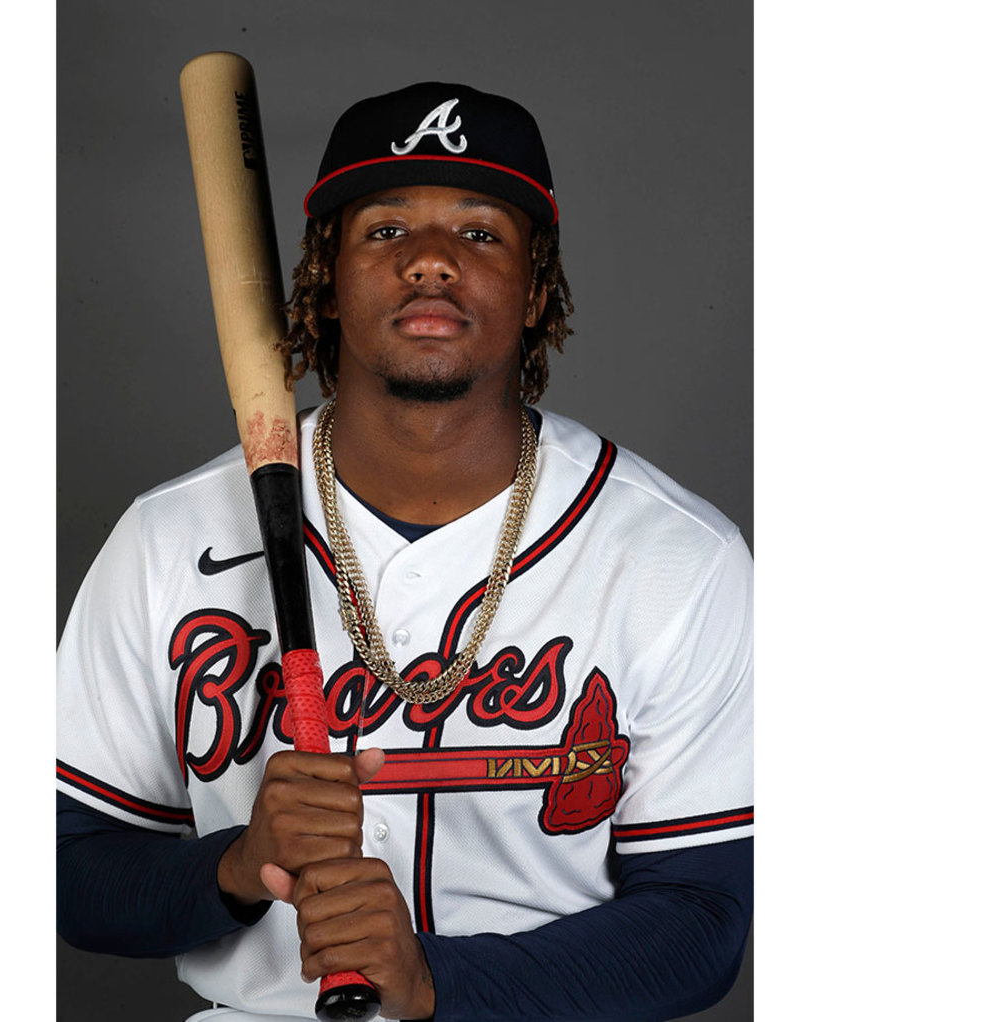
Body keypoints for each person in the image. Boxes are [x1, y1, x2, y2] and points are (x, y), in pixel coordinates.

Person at [57, 81, 753, 1022]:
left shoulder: (677, 556)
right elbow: (70, 872)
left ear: (537, 286)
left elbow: (701, 920)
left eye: (479, 233)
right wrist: (233, 863)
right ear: (325, 281)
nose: (430, 261)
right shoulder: (167, 539)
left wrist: (437, 982)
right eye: (386, 231)